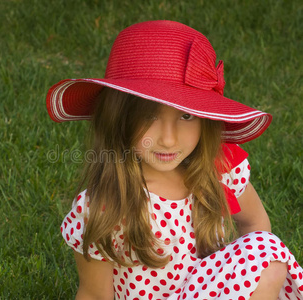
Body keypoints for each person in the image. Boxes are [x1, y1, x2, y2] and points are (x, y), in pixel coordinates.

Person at [46, 20, 303, 300]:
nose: (168, 139)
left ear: (206, 120)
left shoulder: (219, 170)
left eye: (186, 116)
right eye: (149, 115)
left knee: (267, 254)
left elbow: (256, 228)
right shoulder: (105, 203)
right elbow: (95, 296)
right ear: (118, 117)